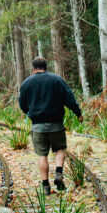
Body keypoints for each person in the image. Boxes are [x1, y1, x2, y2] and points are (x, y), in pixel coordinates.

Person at [18, 57, 82, 193]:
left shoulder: (26, 83)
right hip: (56, 124)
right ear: (46, 67)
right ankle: (58, 172)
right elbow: (69, 98)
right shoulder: (56, 79)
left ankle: (45, 185)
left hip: (38, 125)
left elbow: (22, 104)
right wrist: (78, 113)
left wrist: (30, 113)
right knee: (60, 149)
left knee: (42, 155)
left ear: (33, 69)